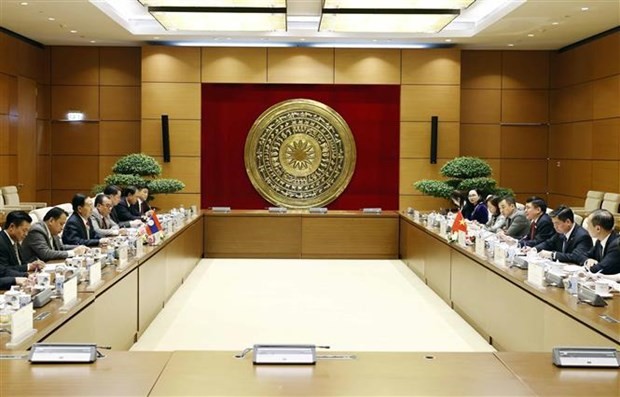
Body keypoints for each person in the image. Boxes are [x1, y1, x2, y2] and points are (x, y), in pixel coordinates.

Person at [21, 207, 88, 263]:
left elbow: (60, 247)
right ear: (51, 221)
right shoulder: (37, 230)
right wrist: (73, 252)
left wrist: (80, 247)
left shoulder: (52, 231)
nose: (62, 228)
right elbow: (46, 254)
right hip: (32, 270)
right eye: (61, 224)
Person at [0, 211, 43, 290]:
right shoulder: (1, 242)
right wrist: (25, 274)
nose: (26, 234)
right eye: (24, 230)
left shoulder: (15, 240)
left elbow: (19, 264)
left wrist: (31, 265)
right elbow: (3, 271)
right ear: (12, 227)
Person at [583, 209, 620, 275]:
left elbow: (600, 269)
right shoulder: (600, 240)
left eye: (588, 225)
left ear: (598, 229)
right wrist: (588, 260)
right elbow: (583, 255)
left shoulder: (616, 245)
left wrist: (589, 266)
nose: (587, 228)